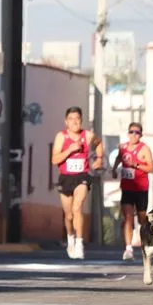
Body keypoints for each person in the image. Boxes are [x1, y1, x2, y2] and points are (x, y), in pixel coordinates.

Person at [51, 106, 103, 260]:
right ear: (66, 122)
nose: (75, 122)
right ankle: (70, 239)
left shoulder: (87, 136)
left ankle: (80, 243)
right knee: (68, 215)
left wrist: (99, 159)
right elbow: (54, 160)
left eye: (77, 119)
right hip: (66, 177)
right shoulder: (61, 137)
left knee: (77, 207)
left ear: (81, 120)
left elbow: (98, 143)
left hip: (82, 176)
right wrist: (70, 150)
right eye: (71, 119)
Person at [111, 122, 153, 261]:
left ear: (141, 135)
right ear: (128, 133)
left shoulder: (144, 149)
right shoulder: (123, 147)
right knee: (128, 217)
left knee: (141, 219)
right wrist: (114, 169)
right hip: (127, 188)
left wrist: (135, 165)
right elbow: (119, 157)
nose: (134, 135)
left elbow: (150, 168)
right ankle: (128, 249)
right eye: (131, 132)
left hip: (141, 188)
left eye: (137, 132)